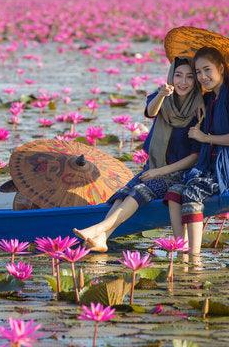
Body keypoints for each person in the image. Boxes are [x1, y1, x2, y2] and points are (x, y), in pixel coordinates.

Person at [74, 57, 205, 252]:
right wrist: (162, 95)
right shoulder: (162, 97)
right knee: (123, 194)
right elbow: (151, 112)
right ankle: (103, 238)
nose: (183, 82)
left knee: (140, 191)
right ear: (171, 77)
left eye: (189, 77)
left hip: (179, 173)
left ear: (196, 80)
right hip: (153, 167)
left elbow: (195, 156)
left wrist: (160, 172)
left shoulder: (200, 108)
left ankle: (98, 229)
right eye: (178, 76)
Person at [164, 47, 229, 261]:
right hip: (213, 167)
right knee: (175, 191)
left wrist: (204, 138)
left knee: (193, 192)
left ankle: (194, 257)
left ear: (221, 69)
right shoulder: (209, 100)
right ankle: (180, 251)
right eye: (198, 72)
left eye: (207, 70)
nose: (202, 77)